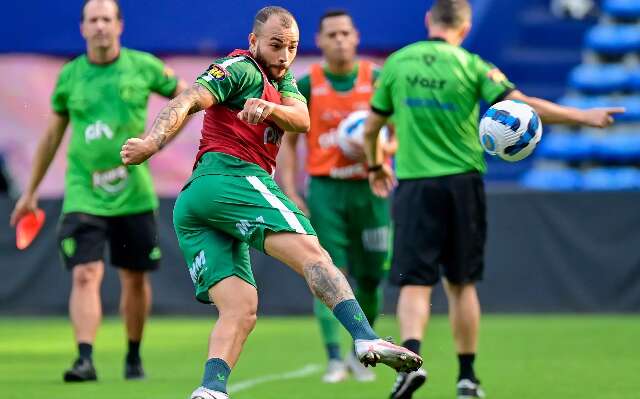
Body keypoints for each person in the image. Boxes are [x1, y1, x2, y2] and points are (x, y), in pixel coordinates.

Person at [120, 6, 421, 399]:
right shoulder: (239, 68)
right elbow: (189, 99)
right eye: (276, 45)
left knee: (241, 307)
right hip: (231, 180)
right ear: (253, 41)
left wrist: (271, 108)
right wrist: (152, 143)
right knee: (314, 257)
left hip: (196, 207)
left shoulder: (281, 81)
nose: (284, 55)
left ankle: (210, 390)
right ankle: (364, 338)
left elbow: (302, 119)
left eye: (292, 46)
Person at [362, 1, 625, 398]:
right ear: (464, 28)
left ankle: (410, 362)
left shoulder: (397, 64)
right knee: (462, 285)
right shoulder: (473, 65)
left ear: (428, 21)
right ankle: (467, 377)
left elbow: (371, 127)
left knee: (416, 284)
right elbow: (522, 106)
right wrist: (583, 116)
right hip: (463, 185)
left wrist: (374, 165)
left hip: (417, 185)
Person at [9, 0, 188, 382]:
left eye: (107, 18)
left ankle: (133, 354)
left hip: (134, 194)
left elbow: (186, 99)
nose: (101, 26)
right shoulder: (71, 75)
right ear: (83, 28)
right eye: (93, 20)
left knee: (134, 278)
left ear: (120, 25)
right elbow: (53, 136)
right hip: (83, 192)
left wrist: (157, 142)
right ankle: (84, 358)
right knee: (85, 274)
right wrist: (30, 192)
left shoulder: (144, 66)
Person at [279, 9, 393, 383]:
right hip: (327, 190)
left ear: (356, 36)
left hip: (369, 188)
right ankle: (333, 358)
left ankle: (363, 350)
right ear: (321, 40)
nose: (340, 40)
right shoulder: (309, 83)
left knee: (372, 276)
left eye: (346, 33)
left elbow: (397, 131)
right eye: (332, 34)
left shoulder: (376, 78)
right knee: (328, 271)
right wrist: (292, 189)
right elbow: (290, 141)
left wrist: (382, 152)